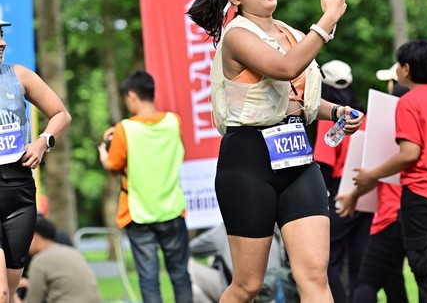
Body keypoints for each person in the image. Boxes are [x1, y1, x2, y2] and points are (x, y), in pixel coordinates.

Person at [187, 0, 364, 303]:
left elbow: (295, 97)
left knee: (314, 276)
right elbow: (285, 69)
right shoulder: (237, 36)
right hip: (248, 161)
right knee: (248, 286)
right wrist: (327, 20)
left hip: (297, 160)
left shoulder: (291, 33)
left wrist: (336, 112)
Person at [341, 40, 427, 303]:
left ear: (406, 69)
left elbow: (409, 154)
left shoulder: (409, 102)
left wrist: (372, 175)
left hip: (425, 198)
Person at [98, 71, 192, 303]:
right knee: (180, 276)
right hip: (172, 210)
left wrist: (103, 154)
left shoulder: (125, 129)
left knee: (149, 279)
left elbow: (113, 166)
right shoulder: (173, 121)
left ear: (132, 96)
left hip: (139, 214)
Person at [0, 19, 71, 303]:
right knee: (1, 291)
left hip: (20, 193)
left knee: (10, 290)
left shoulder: (20, 76)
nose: (2, 42)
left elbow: (61, 114)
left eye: (1, 34)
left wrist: (43, 142)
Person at [336, 77, 410, 303]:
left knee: (366, 280)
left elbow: (374, 174)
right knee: (398, 279)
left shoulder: (390, 128)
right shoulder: (418, 131)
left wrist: (354, 195)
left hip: (389, 216)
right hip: (414, 214)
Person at [313, 60, 371, 302]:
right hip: (367, 194)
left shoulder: (331, 118)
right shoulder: (363, 118)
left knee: (327, 261)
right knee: (361, 262)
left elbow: (325, 164)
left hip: (340, 193)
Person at [189, 223, 296, 303]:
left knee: (189, 268)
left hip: (252, 287)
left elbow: (193, 248)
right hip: (274, 285)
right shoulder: (274, 226)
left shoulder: (225, 228)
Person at [13, 216, 101, 303]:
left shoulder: (39, 260)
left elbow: (33, 301)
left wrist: (13, 295)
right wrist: (30, 284)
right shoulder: (72, 252)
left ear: (35, 237)